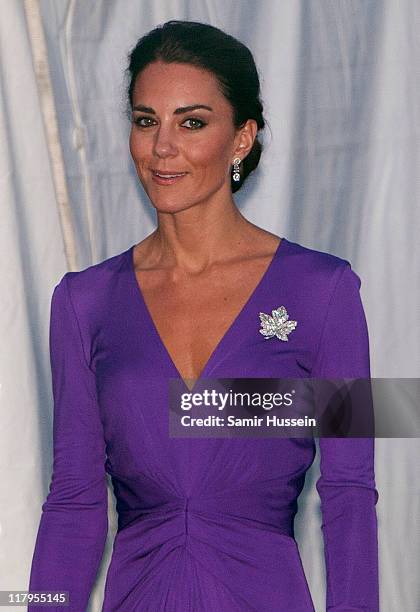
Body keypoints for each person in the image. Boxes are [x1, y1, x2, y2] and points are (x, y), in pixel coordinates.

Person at [28, 20, 379, 611]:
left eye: (191, 122)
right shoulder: (82, 302)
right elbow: (74, 503)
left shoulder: (326, 291)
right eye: (146, 121)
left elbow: (349, 492)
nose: (163, 146)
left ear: (241, 139)